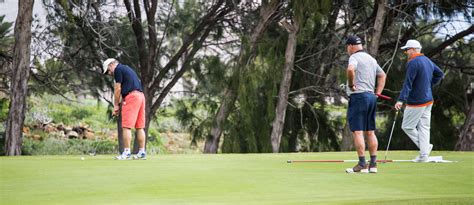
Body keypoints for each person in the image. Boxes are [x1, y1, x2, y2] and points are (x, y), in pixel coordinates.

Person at [395, 39, 444, 162]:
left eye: (407, 50)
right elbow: (440, 74)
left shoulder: (413, 62)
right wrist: (428, 85)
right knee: (424, 127)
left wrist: (400, 100)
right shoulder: (427, 60)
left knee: (407, 126)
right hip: (428, 100)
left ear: (413, 50)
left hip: (417, 102)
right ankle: (423, 155)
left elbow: (408, 83)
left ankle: (425, 148)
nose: (406, 52)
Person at [344, 35, 386, 174]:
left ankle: (362, 163)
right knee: (370, 132)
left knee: (358, 131)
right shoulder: (371, 59)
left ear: (350, 46)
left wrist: (351, 84)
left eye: (347, 48)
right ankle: (373, 164)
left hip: (358, 97)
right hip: (371, 97)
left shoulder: (354, 57)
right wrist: (378, 93)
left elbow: (350, 69)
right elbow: (382, 75)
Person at [103, 58, 147, 160]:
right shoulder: (126, 68)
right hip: (141, 96)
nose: (109, 73)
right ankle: (142, 152)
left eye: (108, 71)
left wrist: (116, 105)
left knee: (126, 126)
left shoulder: (118, 69)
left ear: (111, 65)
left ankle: (126, 152)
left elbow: (118, 88)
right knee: (139, 127)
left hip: (131, 97)